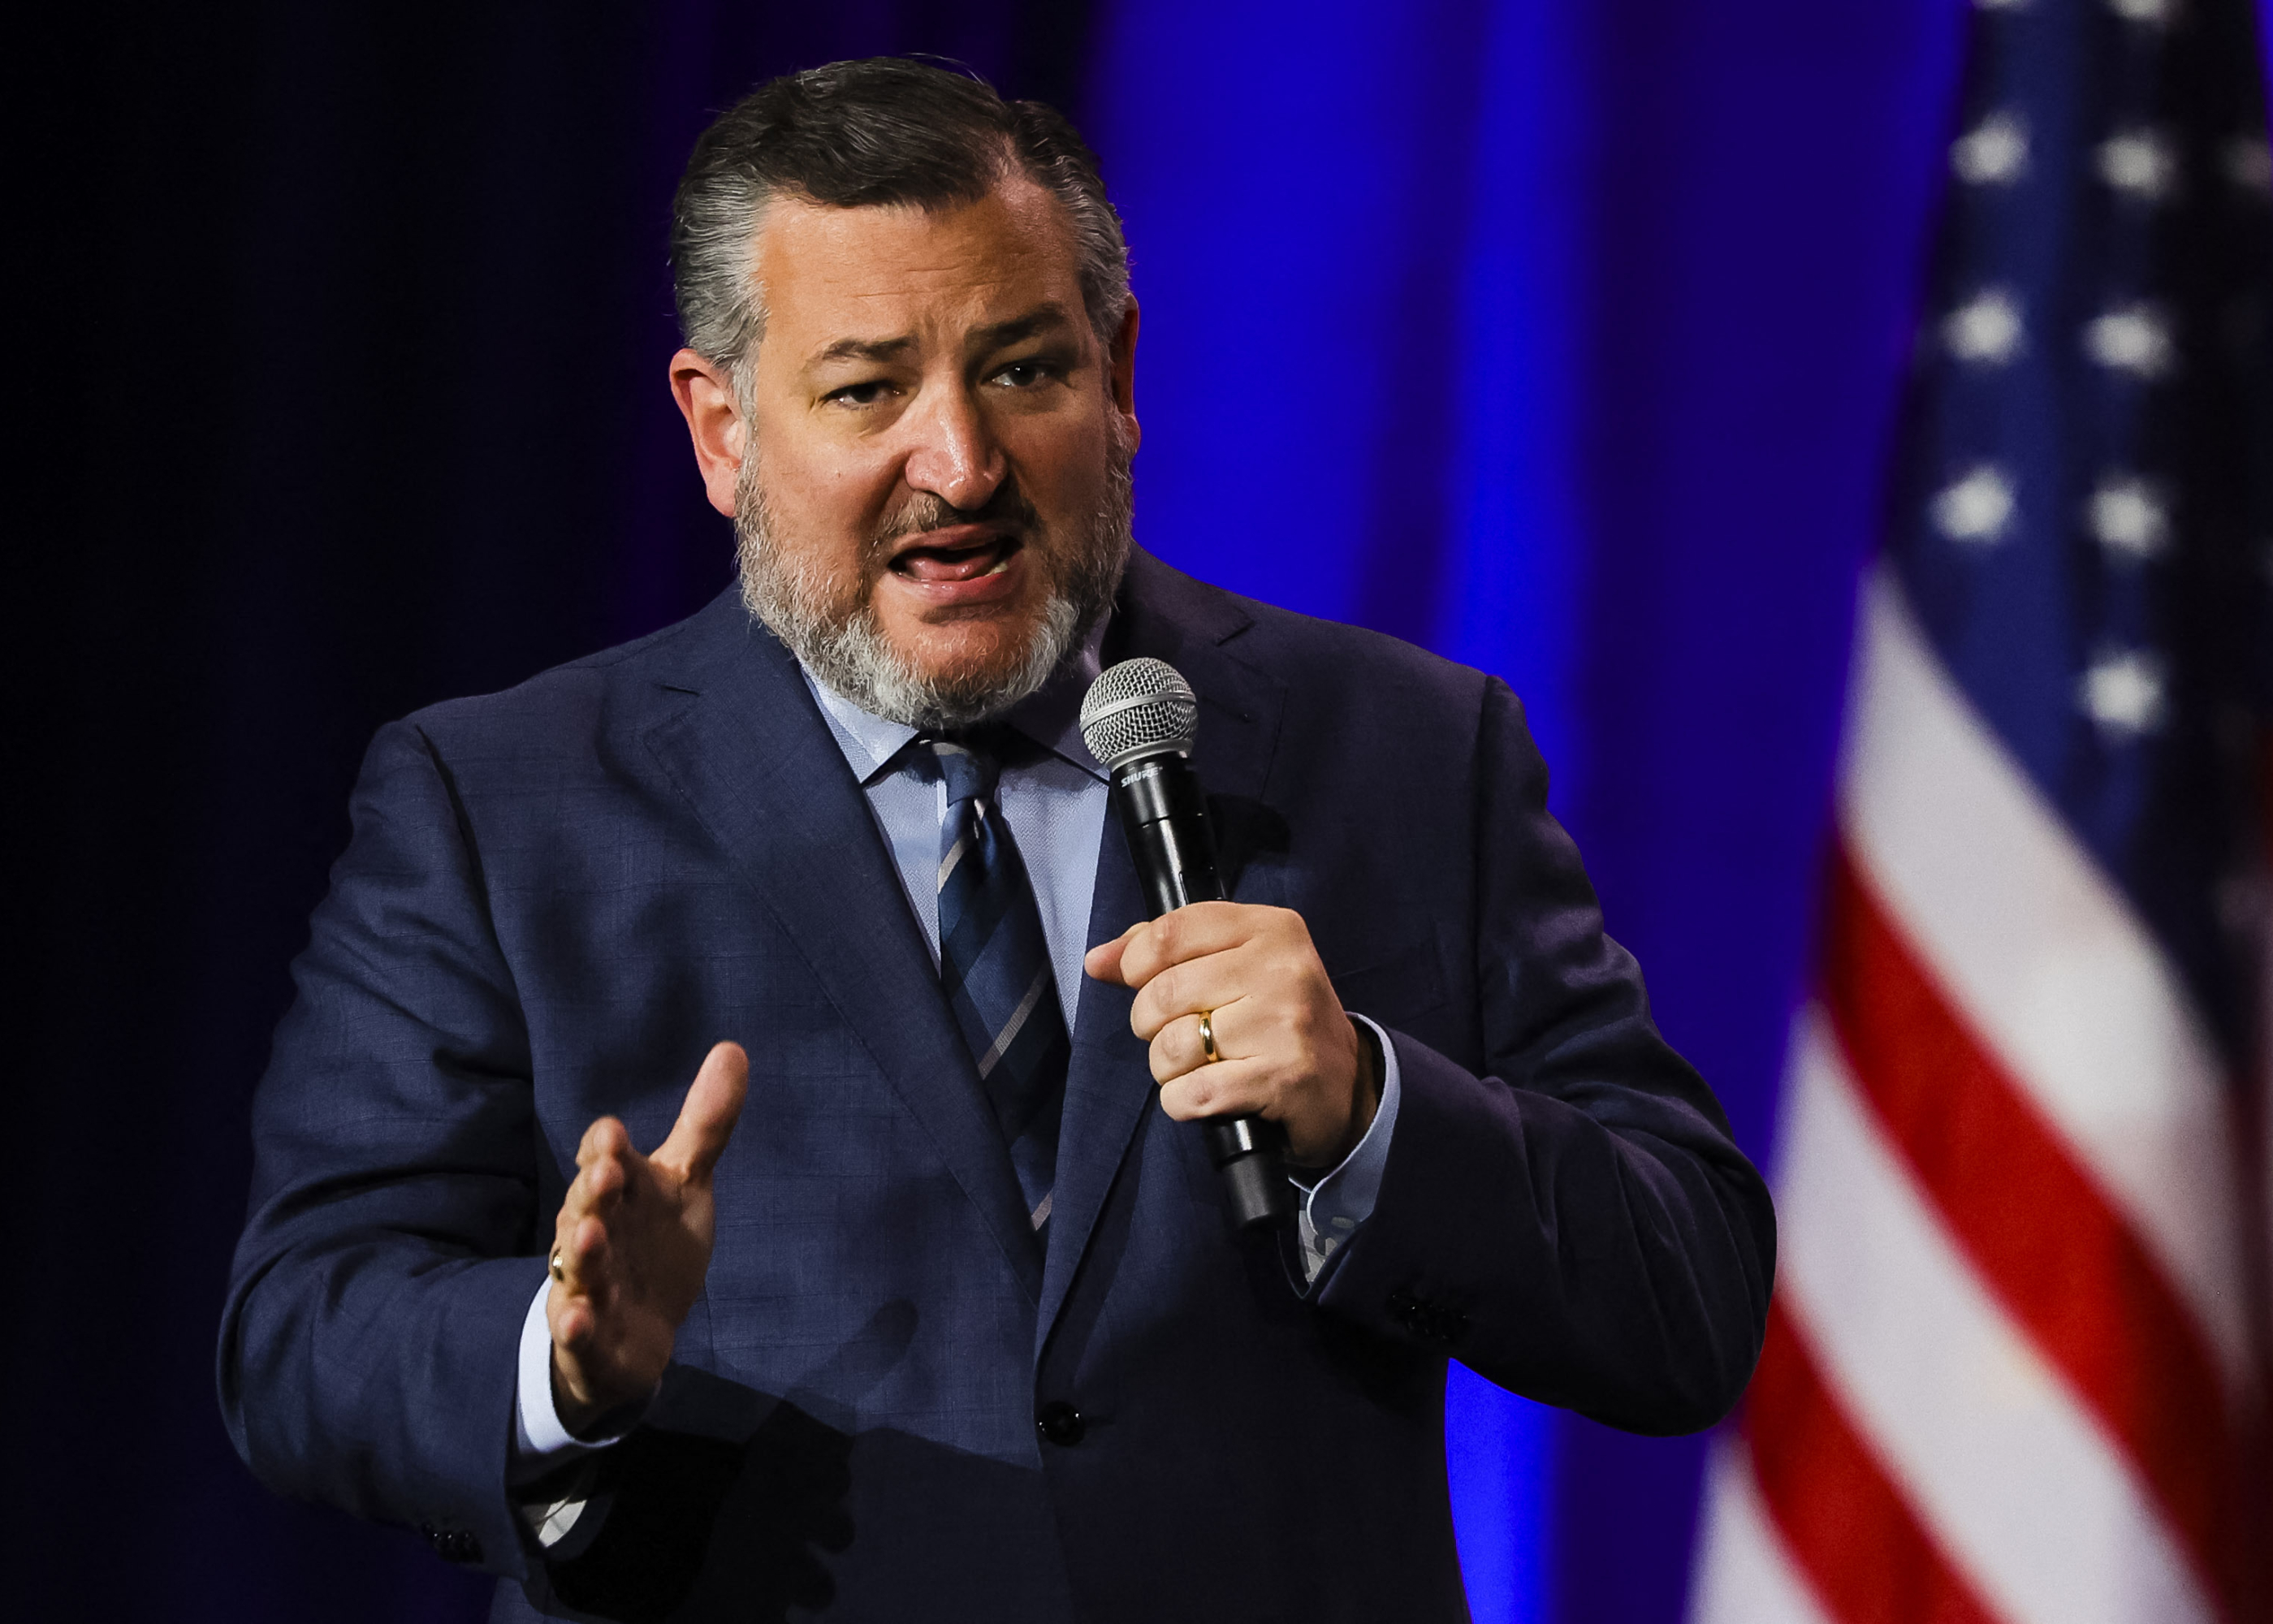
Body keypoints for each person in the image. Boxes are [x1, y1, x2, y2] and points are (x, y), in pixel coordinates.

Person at [218, 57, 1774, 1623]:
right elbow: (303, 1325)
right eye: (865, 390)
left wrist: (1373, 1108)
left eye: (1024, 370)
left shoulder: (1404, 750)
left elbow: (1688, 1290)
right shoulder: (502, 801)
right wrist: (558, 1366)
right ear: (721, 430)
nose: (959, 466)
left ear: (1119, 372)